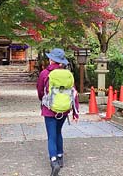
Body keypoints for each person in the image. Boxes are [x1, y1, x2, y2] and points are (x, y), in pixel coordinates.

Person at [37, 48, 79, 176]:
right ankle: (60, 158)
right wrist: (75, 112)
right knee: (58, 132)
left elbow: (40, 91)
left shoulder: (45, 73)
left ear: (51, 59)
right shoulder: (68, 74)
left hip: (49, 109)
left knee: (51, 135)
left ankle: (54, 161)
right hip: (64, 109)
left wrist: (43, 101)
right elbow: (74, 93)